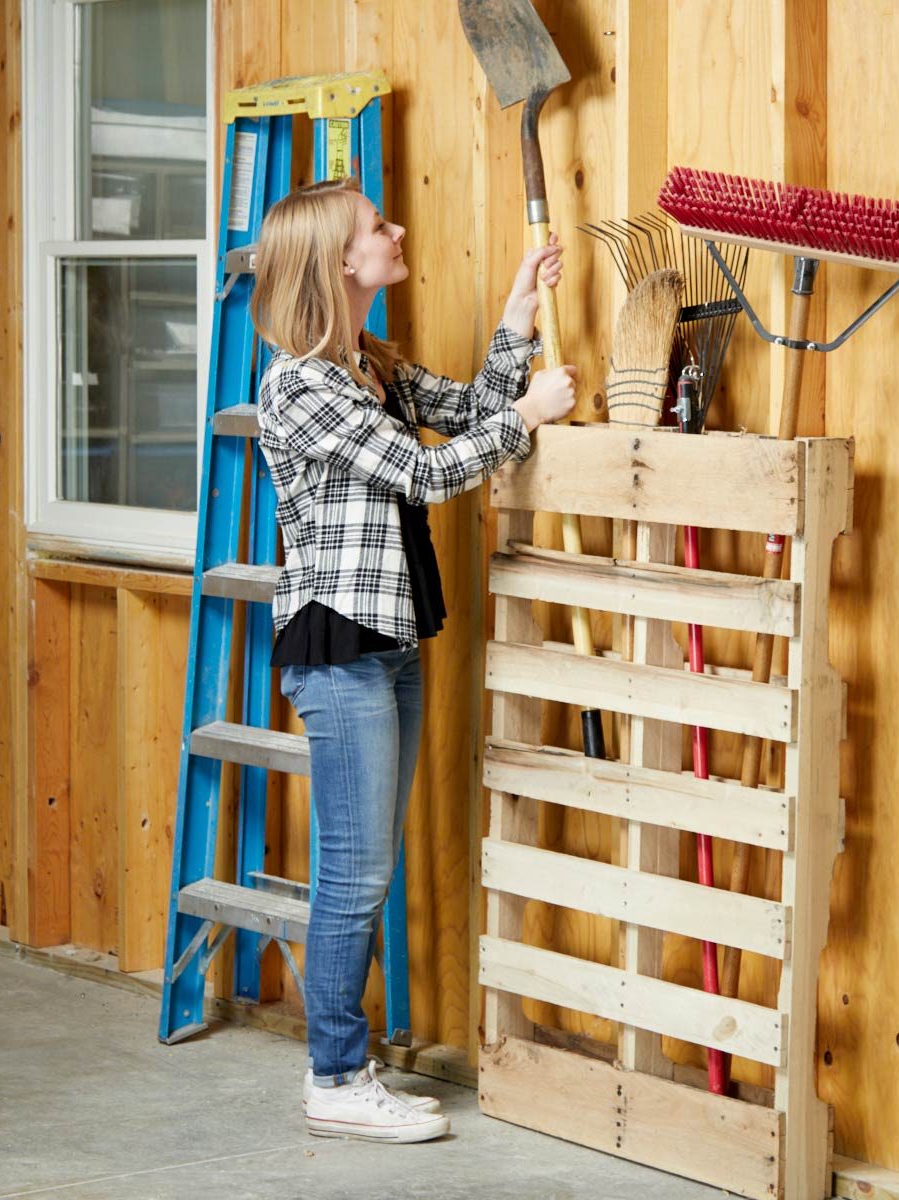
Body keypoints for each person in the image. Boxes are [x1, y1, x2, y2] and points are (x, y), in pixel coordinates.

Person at [252, 176, 576, 1143]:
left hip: (389, 640)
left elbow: (470, 406)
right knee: (353, 876)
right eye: (376, 227)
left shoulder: (370, 364)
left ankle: (345, 1070)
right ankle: (336, 1078)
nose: (395, 232)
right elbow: (431, 469)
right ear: (338, 262)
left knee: (368, 867)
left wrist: (519, 315)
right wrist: (530, 418)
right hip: (338, 648)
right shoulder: (299, 385)